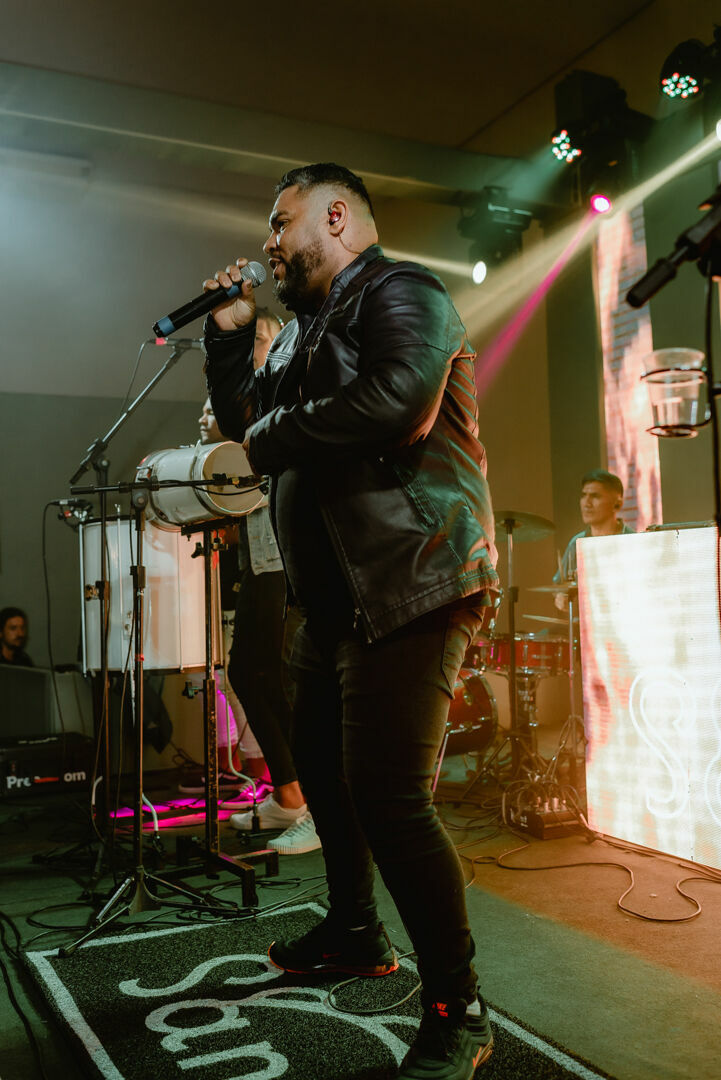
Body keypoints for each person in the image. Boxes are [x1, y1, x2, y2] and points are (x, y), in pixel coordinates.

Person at [202, 162, 498, 1080]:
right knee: (327, 780)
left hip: (412, 575)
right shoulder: (291, 335)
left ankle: (458, 1008)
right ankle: (353, 931)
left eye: (280, 221)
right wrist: (229, 341)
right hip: (329, 594)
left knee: (391, 799)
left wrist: (265, 439)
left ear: (335, 216)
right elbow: (244, 420)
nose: (267, 242)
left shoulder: (404, 291)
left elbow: (396, 404)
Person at [197, 309, 321, 858]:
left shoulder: (287, 384)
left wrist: (224, 427)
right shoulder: (244, 392)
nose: (253, 348)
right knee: (247, 670)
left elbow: (253, 440)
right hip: (261, 551)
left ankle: (319, 807)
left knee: (291, 680)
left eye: (261, 338)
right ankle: (291, 795)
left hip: (292, 553)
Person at [554, 469, 634, 608]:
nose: (587, 503)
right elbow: (559, 585)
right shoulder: (576, 543)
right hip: (583, 625)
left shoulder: (634, 542)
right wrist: (560, 597)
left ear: (617, 504)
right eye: (583, 495)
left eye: (595, 496)